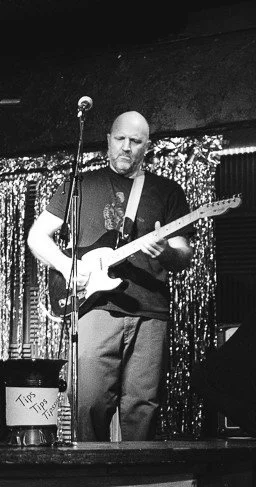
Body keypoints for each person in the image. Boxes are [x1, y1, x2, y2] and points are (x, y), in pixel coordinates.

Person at [27, 111, 194, 441]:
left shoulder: (167, 191)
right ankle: (92, 484)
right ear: (108, 140)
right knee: (88, 403)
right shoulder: (81, 185)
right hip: (96, 307)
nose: (126, 147)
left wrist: (168, 253)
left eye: (135, 141)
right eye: (120, 139)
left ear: (148, 146)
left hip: (150, 312)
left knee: (142, 406)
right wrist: (65, 266)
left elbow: (184, 253)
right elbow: (36, 237)